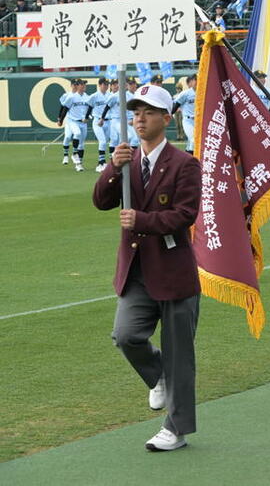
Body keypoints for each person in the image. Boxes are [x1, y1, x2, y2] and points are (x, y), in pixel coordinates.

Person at [92, 84, 202, 452]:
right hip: (136, 270)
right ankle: (158, 378)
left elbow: (184, 215)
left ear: (167, 119)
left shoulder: (185, 164)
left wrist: (142, 219)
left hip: (173, 270)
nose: (140, 118)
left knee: (179, 355)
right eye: (136, 111)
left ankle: (176, 428)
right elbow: (100, 200)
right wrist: (112, 167)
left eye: (149, 112)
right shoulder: (126, 160)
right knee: (126, 335)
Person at [59, 79, 92, 172]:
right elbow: (65, 109)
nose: (84, 86)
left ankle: (79, 164)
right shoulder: (72, 97)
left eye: (85, 84)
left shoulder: (87, 97)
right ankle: (73, 153)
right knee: (76, 134)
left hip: (83, 123)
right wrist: (60, 120)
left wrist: (87, 117)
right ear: (77, 86)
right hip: (73, 121)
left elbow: (90, 108)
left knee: (81, 145)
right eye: (82, 84)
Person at [88, 77, 112, 172]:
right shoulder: (94, 96)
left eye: (107, 84)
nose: (106, 86)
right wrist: (86, 116)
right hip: (97, 121)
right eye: (104, 84)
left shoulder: (110, 95)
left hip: (108, 121)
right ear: (99, 85)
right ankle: (101, 163)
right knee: (102, 141)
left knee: (105, 142)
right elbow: (89, 107)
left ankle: (100, 162)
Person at [172, 75, 198, 154]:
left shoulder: (202, 92)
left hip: (198, 121)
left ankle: (186, 160)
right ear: (191, 82)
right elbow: (176, 104)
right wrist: (170, 113)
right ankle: (193, 160)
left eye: (198, 79)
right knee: (194, 140)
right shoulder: (185, 93)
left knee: (191, 143)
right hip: (188, 120)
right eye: (195, 80)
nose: (196, 81)